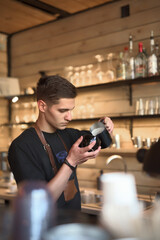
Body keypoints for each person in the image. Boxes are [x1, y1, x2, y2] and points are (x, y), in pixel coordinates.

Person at [8, 75, 114, 210]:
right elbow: (38, 203)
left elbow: (101, 141)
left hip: (74, 223)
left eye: (71, 110)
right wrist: (71, 162)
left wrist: (105, 124)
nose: (69, 117)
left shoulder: (70, 135)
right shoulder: (22, 147)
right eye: (63, 111)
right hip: (46, 228)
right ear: (42, 106)